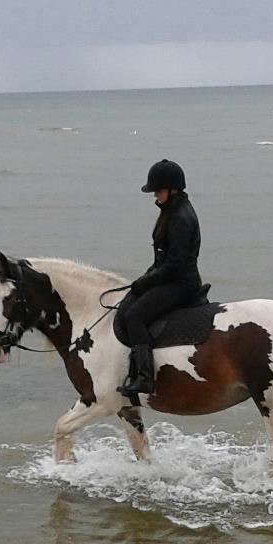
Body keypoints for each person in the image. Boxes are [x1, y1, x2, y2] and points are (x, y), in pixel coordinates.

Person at [119, 159, 202, 395]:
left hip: (180, 284)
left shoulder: (180, 219)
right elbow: (162, 261)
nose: (155, 195)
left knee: (135, 316)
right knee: (129, 302)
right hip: (171, 278)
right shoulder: (172, 212)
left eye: (158, 190)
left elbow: (174, 264)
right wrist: (145, 278)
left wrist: (146, 281)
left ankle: (146, 378)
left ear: (172, 189)